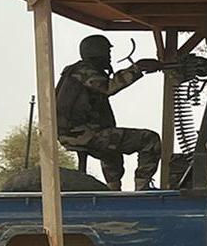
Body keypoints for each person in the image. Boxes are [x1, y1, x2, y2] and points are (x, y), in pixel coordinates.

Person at [56, 35, 163, 191]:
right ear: (97, 52)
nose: (109, 56)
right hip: (85, 135)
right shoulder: (84, 71)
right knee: (150, 140)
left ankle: (112, 191)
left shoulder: (72, 72)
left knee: (111, 150)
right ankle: (143, 187)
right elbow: (108, 87)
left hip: (77, 135)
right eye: (107, 52)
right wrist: (137, 68)